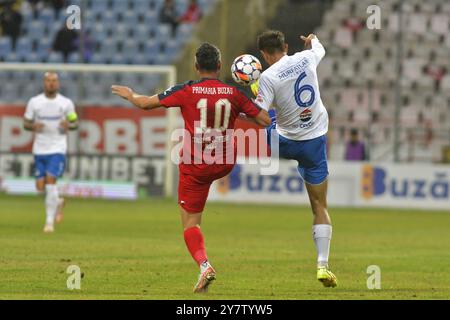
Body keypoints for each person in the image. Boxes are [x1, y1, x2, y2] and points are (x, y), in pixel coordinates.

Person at [112, 43, 271, 293]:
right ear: (220, 66)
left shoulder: (186, 90)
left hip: (195, 166)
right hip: (224, 163)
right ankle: (203, 275)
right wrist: (241, 111)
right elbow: (264, 120)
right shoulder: (234, 93)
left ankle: (205, 265)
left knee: (190, 224)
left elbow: (144, 104)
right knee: (203, 191)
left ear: (196, 67)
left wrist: (131, 94)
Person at [254, 30, 338, 287]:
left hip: (283, 144)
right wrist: (312, 38)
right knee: (319, 206)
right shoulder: (307, 57)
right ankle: (323, 265)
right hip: (314, 144)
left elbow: (259, 116)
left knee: (267, 124)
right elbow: (318, 46)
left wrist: (252, 95)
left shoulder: (267, 76)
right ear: (286, 46)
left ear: (265, 55)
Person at [23, 72, 79, 233]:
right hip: (39, 149)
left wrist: (69, 125)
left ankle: (49, 223)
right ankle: (58, 202)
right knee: (41, 187)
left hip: (57, 148)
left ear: (58, 83)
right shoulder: (35, 102)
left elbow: (75, 123)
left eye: (54, 81)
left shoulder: (66, 103)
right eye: (48, 81)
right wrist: (33, 126)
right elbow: (25, 123)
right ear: (44, 83)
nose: (51, 84)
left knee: (50, 181)